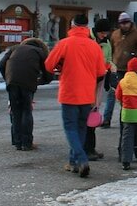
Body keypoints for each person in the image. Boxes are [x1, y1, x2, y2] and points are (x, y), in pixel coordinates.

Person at [45, 14, 106, 178]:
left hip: (70, 93)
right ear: (86, 27)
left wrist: (61, 66)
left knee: (70, 128)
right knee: (80, 128)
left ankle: (81, 159)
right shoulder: (94, 46)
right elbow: (101, 71)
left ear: (72, 25)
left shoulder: (64, 43)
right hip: (87, 94)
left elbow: (49, 65)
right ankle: (73, 162)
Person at [0, 37, 51, 151]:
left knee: (16, 110)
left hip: (12, 82)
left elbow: (1, 64)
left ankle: (17, 141)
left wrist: (7, 78)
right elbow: (48, 72)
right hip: (28, 83)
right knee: (26, 111)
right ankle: (27, 143)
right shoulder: (40, 52)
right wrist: (40, 81)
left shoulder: (14, 48)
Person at [105, 12, 137, 127]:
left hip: (131, 71)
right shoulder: (115, 34)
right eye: (122, 23)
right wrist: (110, 64)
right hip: (116, 69)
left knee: (132, 95)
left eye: (126, 22)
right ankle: (107, 119)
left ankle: (130, 117)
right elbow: (111, 50)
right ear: (119, 24)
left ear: (130, 22)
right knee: (112, 94)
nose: (125, 25)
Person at [83, 18, 114, 161]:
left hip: (99, 81)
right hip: (86, 82)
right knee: (86, 116)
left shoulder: (107, 43)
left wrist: (108, 68)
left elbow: (107, 59)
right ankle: (85, 149)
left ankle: (91, 148)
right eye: (102, 33)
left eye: (106, 33)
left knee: (93, 114)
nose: (104, 35)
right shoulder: (87, 39)